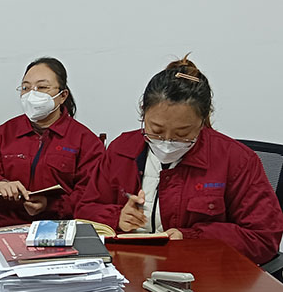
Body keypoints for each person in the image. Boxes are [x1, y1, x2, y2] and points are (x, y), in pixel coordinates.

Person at [76, 56, 283, 265]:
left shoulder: (236, 160)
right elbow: (84, 211)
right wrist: (118, 217)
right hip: (127, 267)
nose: (167, 142)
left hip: (201, 270)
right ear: (143, 112)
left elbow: (263, 238)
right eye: (156, 130)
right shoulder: (121, 150)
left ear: (203, 121)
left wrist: (192, 238)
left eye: (182, 133)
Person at [0, 57, 105, 227]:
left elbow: (92, 195)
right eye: (26, 88)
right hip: (9, 228)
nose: (32, 95)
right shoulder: (2, 135)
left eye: (42, 87)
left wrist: (51, 205)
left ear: (63, 95)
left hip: (63, 229)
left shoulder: (86, 141)